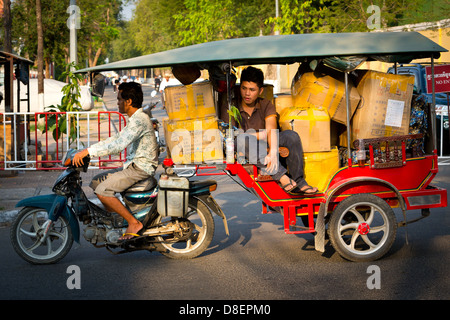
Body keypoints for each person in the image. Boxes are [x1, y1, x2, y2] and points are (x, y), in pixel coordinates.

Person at [73, 82, 159, 240]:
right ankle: (116, 220)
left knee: (102, 191)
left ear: (129, 101)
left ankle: (133, 223)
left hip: (140, 168)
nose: (117, 102)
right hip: (132, 166)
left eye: (119, 99)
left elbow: (118, 145)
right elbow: (115, 138)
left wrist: (88, 152)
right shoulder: (135, 118)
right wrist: (87, 151)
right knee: (96, 182)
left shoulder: (139, 120)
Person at [222, 66, 317, 194]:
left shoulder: (266, 104)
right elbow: (232, 136)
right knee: (242, 139)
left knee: (291, 136)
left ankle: (299, 181)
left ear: (260, 91)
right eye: (244, 88)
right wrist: (259, 135)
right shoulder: (232, 106)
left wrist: (272, 151)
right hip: (247, 148)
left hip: (267, 143)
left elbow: (271, 130)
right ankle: (282, 176)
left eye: (252, 90)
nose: (247, 93)